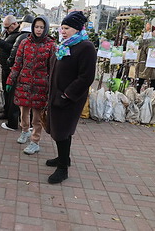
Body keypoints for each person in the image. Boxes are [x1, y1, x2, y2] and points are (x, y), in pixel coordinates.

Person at [45, 11, 97, 184]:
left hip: (69, 97)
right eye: (62, 27)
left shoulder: (86, 47)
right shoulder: (66, 44)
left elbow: (86, 77)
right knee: (60, 129)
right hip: (57, 93)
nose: (63, 31)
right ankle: (63, 158)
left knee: (62, 130)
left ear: (76, 28)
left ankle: (62, 169)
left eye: (66, 28)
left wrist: (67, 94)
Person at [6, 15, 56, 154]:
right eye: (36, 27)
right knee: (23, 113)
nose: (38, 30)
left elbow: (52, 68)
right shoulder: (25, 43)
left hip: (41, 86)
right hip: (24, 82)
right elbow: (17, 63)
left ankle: (35, 141)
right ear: (32, 28)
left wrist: (52, 87)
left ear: (45, 28)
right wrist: (11, 80)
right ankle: (24, 131)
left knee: (37, 117)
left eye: (41, 27)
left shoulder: (51, 45)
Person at [0, 15, 20, 130]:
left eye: (7, 27)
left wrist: (0, 41)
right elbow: (2, 44)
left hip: (12, 68)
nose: (6, 30)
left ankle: (12, 117)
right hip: (5, 66)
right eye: (5, 28)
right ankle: (6, 112)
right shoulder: (9, 33)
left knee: (11, 94)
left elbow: (12, 48)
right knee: (5, 92)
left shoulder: (19, 35)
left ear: (14, 24)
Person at [136, 23, 155, 93]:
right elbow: (151, 53)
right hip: (150, 63)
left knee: (140, 79)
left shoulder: (141, 40)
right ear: (151, 32)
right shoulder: (151, 41)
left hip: (141, 62)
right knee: (154, 81)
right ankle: (152, 96)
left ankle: (137, 94)